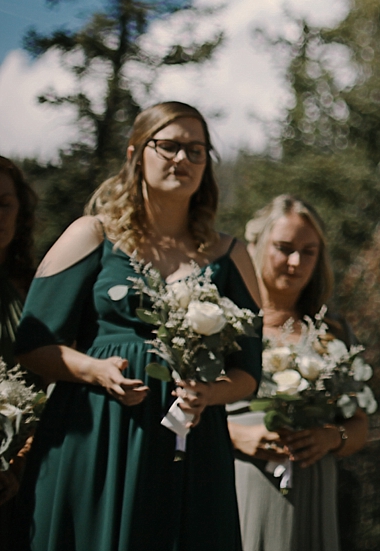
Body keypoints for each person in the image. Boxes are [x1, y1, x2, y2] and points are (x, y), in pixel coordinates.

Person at [16, 101, 264, 551]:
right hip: (99, 431)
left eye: (196, 151)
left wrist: (210, 393)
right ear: (135, 154)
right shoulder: (94, 235)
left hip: (192, 444)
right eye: (168, 146)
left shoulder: (230, 255)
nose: (182, 159)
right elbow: (32, 344)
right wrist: (93, 370)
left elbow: (248, 373)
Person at [230, 196, 369, 551]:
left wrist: (330, 437)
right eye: (284, 248)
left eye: (309, 251)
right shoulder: (228, 323)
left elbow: (360, 427)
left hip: (314, 490)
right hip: (243, 483)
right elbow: (182, 409)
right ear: (257, 246)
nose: (296, 262)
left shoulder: (332, 331)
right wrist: (236, 436)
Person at [0, 157, 41, 539]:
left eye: (4, 203)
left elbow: (48, 382)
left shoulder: (34, 290)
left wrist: (16, 459)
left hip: (18, 470)